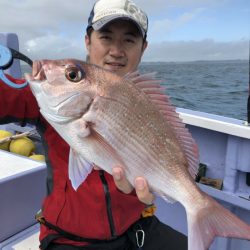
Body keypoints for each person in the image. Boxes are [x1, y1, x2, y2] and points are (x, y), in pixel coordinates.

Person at [0, 0, 187, 249]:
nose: (116, 51)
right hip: (68, 238)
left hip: (136, 227)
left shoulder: (147, 105)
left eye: (129, 40)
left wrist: (158, 188)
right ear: (88, 41)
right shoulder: (49, 92)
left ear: (143, 48)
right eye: (106, 37)